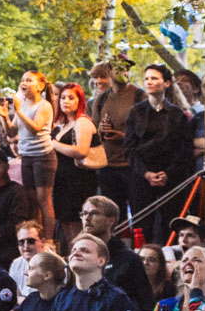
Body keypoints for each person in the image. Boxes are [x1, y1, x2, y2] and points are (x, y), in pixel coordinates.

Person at [127, 64, 196, 229]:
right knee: (142, 224)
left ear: (166, 83)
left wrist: (168, 173)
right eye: (147, 78)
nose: (149, 82)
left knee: (170, 223)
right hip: (142, 176)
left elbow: (184, 150)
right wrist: (146, 173)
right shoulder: (136, 112)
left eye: (154, 78)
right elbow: (129, 148)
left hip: (171, 177)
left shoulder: (177, 114)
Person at [49, 81, 102, 244]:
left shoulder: (82, 122)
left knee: (78, 228)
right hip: (61, 183)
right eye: (63, 98)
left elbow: (81, 151)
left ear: (80, 100)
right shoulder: (62, 124)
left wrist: (54, 144)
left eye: (71, 98)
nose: (65, 101)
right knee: (66, 227)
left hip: (78, 182)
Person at [91, 60, 143, 213]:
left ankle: (140, 238)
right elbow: (94, 134)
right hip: (107, 166)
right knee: (112, 215)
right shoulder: (101, 100)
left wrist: (124, 137)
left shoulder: (139, 96)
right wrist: (100, 129)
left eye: (126, 70)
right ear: (110, 72)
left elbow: (147, 134)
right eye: (118, 70)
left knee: (139, 213)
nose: (123, 73)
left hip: (132, 166)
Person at [15, 70, 58, 240]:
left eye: (29, 80)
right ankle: (34, 237)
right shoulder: (23, 105)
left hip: (43, 156)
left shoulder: (44, 105)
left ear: (40, 86)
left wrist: (18, 110)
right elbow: (12, 131)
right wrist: (3, 115)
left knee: (43, 199)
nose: (24, 83)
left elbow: (35, 128)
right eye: (22, 80)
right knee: (31, 200)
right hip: (26, 156)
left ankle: (48, 240)